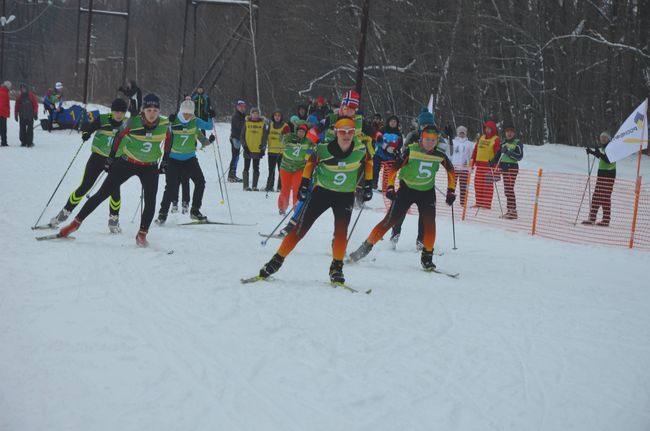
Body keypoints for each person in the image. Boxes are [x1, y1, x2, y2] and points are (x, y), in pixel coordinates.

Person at [252, 117, 373, 285]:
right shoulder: (323, 149)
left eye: (350, 132)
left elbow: (369, 162)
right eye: (342, 132)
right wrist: (303, 184)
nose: (346, 135)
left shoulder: (360, 149)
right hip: (321, 193)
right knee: (299, 230)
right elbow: (310, 163)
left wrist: (368, 185)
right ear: (336, 133)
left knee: (341, 233)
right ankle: (275, 262)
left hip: (345, 196)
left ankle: (336, 268)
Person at [58, 94, 172, 247]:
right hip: (127, 162)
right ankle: (74, 224)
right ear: (143, 110)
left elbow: (169, 140)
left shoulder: (165, 125)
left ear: (159, 111)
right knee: (102, 193)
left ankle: (142, 234)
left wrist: (165, 160)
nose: (152, 114)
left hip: (149, 166)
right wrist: (111, 158)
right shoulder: (133, 122)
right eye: (149, 110)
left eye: (155, 110)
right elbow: (119, 137)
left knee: (150, 201)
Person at [348, 125, 456, 271]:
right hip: (406, 190)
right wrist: (390, 187)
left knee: (430, 225)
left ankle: (427, 258)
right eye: (427, 139)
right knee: (388, 222)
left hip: (427, 193)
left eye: (433, 140)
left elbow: (451, 171)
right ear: (421, 139)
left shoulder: (439, 155)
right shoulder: (411, 151)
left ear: (437, 141)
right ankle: (364, 249)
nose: (430, 143)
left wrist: (451, 191)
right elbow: (394, 169)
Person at [49, 99, 129, 232]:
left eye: (122, 112)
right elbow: (90, 127)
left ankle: (113, 220)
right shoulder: (102, 119)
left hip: (116, 159)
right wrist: (86, 133)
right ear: (112, 111)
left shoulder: (128, 123)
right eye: (116, 111)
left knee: (115, 190)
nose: (119, 114)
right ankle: (64, 213)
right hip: (98, 158)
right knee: (84, 187)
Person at [156, 99, 214, 224]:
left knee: (200, 182)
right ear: (181, 112)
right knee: (170, 187)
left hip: (190, 158)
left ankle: (195, 210)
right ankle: (162, 214)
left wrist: (210, 116)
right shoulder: (174, 120)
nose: (187, 116)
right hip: (173, 159)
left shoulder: (195, 120)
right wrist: (168, 121)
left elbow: (209, 126)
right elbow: (158, 126)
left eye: (190, 113)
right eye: (185, 113)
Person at [278, 121, 313, 215]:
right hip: (286, 167)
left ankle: (296, 209)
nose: (301, 133)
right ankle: (282, 207)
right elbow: (281, 140)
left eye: (303, 132)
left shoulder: (308, 141)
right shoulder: (290, 137)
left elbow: (313, 148)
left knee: (297, 189)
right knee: (285, 188)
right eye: (299, 131)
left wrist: (308, 156)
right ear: (296, 131)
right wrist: (283, 133)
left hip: (299, 168)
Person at [582, 132, 616, 227]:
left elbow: (608, 160)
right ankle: (592, 218)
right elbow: (601, 156)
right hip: (601, 173)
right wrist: (592, 152)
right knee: (596, 196)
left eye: (605, 137)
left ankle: (606, 220)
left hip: (609, 174)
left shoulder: (612, 148)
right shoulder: (603, 148)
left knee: (605, 197)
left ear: (609, 139)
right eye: (601, 137)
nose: (603, 139)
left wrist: (599, 154)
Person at [496, 123, 524, 219]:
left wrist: (508, 152)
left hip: (512, 168)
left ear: (514, 133)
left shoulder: (517, 142)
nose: (509, 133)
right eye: (507, 132)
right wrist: (492, 162)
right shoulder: (503, 142)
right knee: (507, 190)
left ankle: (513, 211)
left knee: (509, 189)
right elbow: (499, 155)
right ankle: (510, 210)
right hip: (504, 168)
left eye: (511, 132)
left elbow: (519, 156)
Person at [471, 121, 501, 209]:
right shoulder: (481, 138)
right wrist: (472, 162)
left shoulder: (496, 139)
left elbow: (497, 153)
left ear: (493, 129)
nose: (487, 130)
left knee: (487, 186)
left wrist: (496, 166)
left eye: (489, 128)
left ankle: (486, 204)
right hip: (479, 166)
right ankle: (479, 202)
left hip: (489, 166)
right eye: (486, 128)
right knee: (478, 184)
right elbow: (475, 150)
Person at [240, 106, 267, 191]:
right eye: (253, 113)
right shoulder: (246, 123)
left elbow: (264, 137)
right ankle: (246, 186)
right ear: (251, 114)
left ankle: (254, 186)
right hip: (248, 149)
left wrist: (263, 148)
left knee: (256, 167)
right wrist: (244, 146)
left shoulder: (262, 124)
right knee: (246, 167)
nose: (255, 115)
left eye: (257, 114)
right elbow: (242, 136)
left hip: (257, 149)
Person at [373, 115, 402, 192]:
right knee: (375, 169)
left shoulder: (398, 133)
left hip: (391, 155)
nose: (393, 123)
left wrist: (395, 150)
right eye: (391, 121)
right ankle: (373, 185)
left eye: (395, 122)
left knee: (388, 173)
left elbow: (400, 144)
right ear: (388, 122)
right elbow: (377, 138)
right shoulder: (383, 129)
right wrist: (384, 146)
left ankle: (386, 188)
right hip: (380, 153)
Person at [265, 110, 290, 192]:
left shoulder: (285, 126)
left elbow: (288, 138)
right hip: (271, 150)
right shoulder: (270, 124)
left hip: (281, 151)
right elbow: (266, 135)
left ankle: (280, 187)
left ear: (281, 117)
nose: (277, 117)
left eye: (279, 115)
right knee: (271, 170)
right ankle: (269, 186)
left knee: (281, 171)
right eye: (275, 115)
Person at [450, 125, 474, 206]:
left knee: (463, 186)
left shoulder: (469, 143)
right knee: (452, 184)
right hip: (454, 167)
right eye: (460, 132)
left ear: (465, 133)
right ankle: (450, 199)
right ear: (458, 133)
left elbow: (471, 155)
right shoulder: (453, 142)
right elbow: (450, 154)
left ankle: (463, 202)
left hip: (464, 167)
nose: (462, 134)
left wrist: (471, 165)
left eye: (463, 133)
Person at [14, 83, 39, 148]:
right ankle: (23, 142)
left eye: (24, 88)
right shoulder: (19, 97)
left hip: (30, 116)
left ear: (26, 88)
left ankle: (29, 142)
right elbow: (16, 106)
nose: (23, 89)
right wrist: (16, 114)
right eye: (22, 88)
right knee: (22, 130)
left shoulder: (31, 95)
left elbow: (35, 105)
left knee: (30, 130)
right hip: (22, 116)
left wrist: (35, 113)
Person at [228, 100, 246, 182]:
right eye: (240, 106)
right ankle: (231, 176)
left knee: (236, 157)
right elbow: (240, 126)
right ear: (237, 107)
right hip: (235, 138)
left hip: (239, 138)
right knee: (235, 157)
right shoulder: (236, 116)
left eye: (243, 106)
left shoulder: (243, 115)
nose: (242, 108)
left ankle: (232, 174)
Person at [0, 81, 10, 146]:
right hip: (3, 114)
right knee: (3, 129)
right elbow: (7, 105)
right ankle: (4, 142)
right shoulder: (6, 94)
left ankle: (4, 142)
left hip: (2, 113)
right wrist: (8, 113)